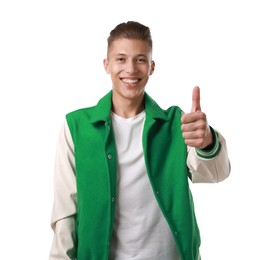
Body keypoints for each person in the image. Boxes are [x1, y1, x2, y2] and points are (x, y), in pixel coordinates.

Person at [49, 21, 230, 260]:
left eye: (140, 59)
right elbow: (65, 210)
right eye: (121, 59)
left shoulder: (177, 124)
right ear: (107, 65)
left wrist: (206, 141)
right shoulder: (77, 127)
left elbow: (214, 174)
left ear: (152, 66)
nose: (131, 69)